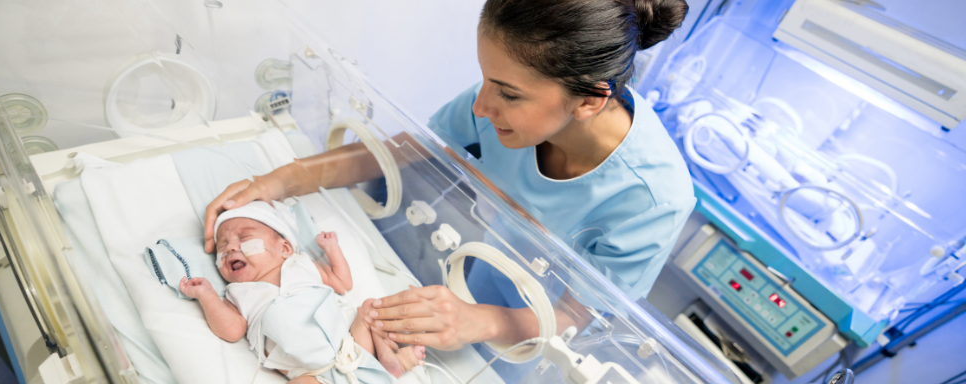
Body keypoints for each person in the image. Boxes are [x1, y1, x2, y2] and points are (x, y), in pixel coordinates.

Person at [202, 0, 693, 374]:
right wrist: (279, 181)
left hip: (517, 341)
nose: (481, 106)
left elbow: (577, 315)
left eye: (507, 93)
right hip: (459, 275)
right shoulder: (507, 106)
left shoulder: (652, 200)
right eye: (485, 79)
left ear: (588, 101)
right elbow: (408, 149)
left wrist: (479, 322)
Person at [180, 201, 424, 383]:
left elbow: (342, 283)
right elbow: (232, 330)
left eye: (245, 238)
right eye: (222, 246)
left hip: (351, 342)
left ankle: (390, 358)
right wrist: (207, 295)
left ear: (285, 247)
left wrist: (332, 249)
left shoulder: (303, 264)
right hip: (309, 373)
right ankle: (389, 363)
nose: (231, 247)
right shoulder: (238, 293)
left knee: (372, 308)